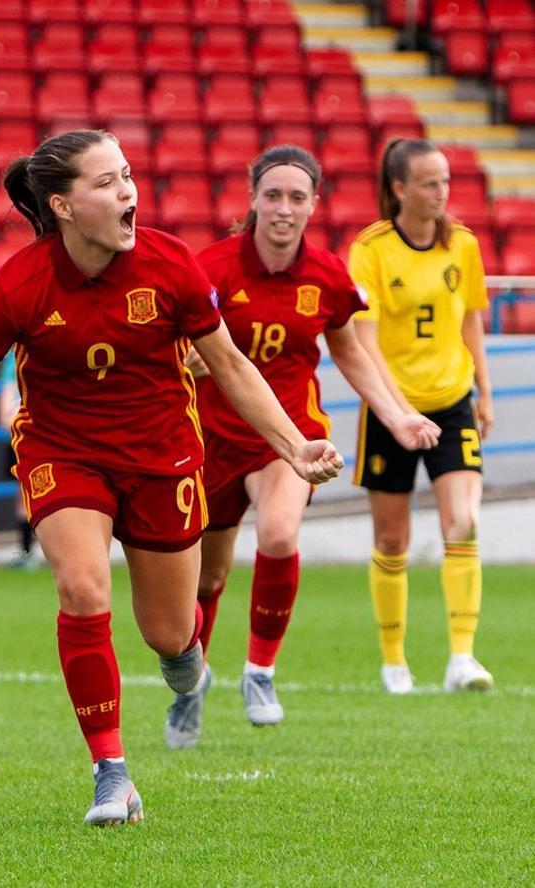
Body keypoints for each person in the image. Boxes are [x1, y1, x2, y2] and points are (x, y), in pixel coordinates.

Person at [0, 130, 347, 828]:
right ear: (64, 206)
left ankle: (189, 672)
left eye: (128, 177)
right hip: (62, 451)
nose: (128, 192)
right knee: (81, 588)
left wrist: (292, 445)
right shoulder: (18, 283)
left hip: (161, 455)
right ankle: (112, 775)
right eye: (106, 183)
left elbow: (227, 365)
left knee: (169, 635)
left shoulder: (171, 264)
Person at [164, 144, 441, 750]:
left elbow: (349, 352)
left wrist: (397, 415)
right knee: (206, 582)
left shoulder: (327, 275)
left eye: (296, 197)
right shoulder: (210, 267)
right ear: (253, 199)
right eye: (273, 195)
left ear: (314, 204)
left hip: (290, 438)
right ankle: (191, 688)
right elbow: (173, 350)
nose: (283, 208)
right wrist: (200, 362)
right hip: (211, 439)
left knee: (281, 534)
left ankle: (260, 672)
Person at [348, 137, 494, 695]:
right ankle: (393, 662)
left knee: (464, 523)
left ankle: (463, 658)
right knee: (392, 539)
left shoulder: (464, 246)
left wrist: (484, 392)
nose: (442, 193)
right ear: (399, 189)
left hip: (452, 402)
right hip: (390, 407)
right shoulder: (372, 249)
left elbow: (471, 322)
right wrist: (399, 411)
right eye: (430, 183)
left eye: (447, 182)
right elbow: (365, 342)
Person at [0, 349, 36, 567]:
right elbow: (7, 392)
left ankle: (29, 552)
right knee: (24, 495)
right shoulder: (14, 355)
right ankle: (27, 552)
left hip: (39, 433)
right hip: (24, 434)